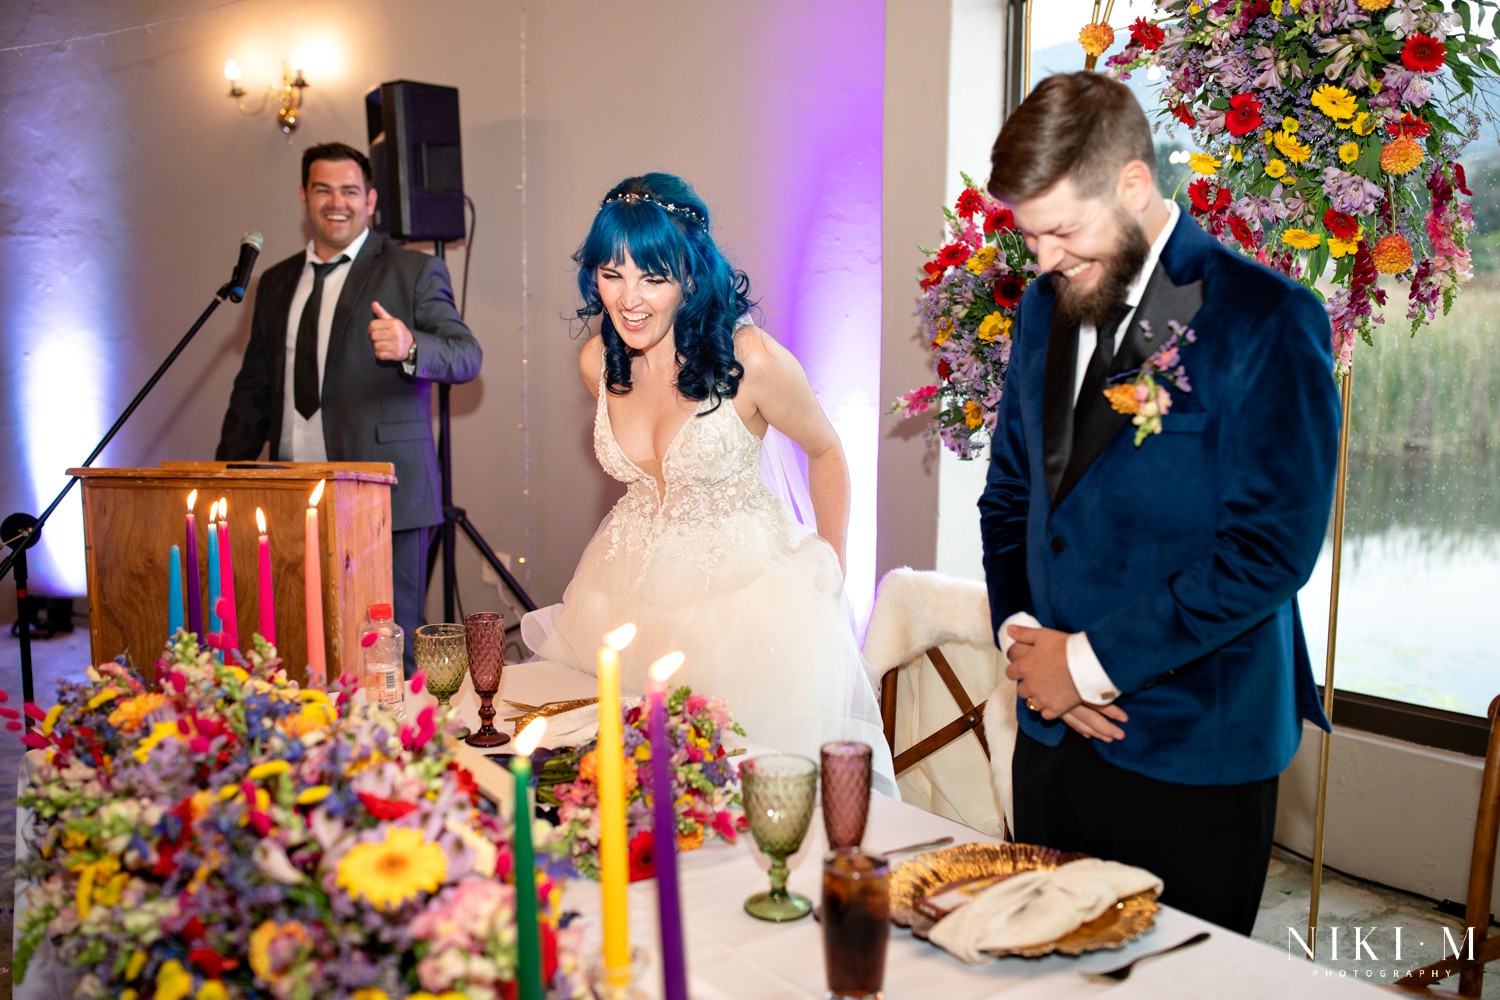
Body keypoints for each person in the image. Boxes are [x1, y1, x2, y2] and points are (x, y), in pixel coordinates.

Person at [979, 73, 1340, 934]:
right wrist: (1029, 648)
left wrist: (1089, 665)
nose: (1043, 261)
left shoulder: (1267, 320)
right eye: (1030, 238)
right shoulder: (1044, 308)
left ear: (1134, 186)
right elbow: (1011, 498)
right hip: (1053, 739)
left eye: (1062, 231)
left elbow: (1270, 549)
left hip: (1194, 749)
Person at [520, 173, 897, 797]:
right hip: (622, 589)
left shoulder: (751, 359)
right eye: (611, 274)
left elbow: (827, 451)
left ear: (691, 277)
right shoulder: (597, 363)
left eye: (653, 276)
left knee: (743, 786)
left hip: (741, 601)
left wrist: (832, 566)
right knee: (620, 780)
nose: (628, 298)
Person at [217, 141, 482, 677]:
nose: (336, 202)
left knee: (388, 648)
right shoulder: (275, 282)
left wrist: (411, 346)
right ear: (303, 196)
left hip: (386, 495)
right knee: (298, 637)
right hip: (293, 493)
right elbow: (254, 389)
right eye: (323, 189)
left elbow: (466, 354)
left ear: (371, 201)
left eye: (349, 191)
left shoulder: (412, 270)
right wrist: (229, 475)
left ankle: (404, 757)